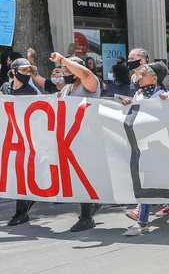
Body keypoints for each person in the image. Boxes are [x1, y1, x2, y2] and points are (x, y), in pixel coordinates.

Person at [33, 53, 103, 232]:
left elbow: (86, 74)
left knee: (82, 176)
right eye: (64, 70)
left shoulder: (90, 83)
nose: (65, 72)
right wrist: (33, 73)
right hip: (69, 141)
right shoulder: (67, 89)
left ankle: (87, 217)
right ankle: (93, 205)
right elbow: (50, 96)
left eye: (68, 69)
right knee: (76, 177)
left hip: (87, 138)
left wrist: (63, 60)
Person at [121, 62, 169, 235]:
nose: (139, 77)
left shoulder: (163, 94)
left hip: (159, 147)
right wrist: (128, 103)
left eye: (143, 74)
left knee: (154, 180)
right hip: (141, 145)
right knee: (146, 181)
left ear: (154, 77)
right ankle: (144, 220)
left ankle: (144, 221)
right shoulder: (138, 94)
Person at [5, 58, 41, 226]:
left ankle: (21, 212)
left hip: (27, 140)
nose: (27, 74)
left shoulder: (32, 92)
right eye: (23, 70)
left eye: (29, 71)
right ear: (13, 72)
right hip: (9, 139)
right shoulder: (5, 88)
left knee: (22, 175)